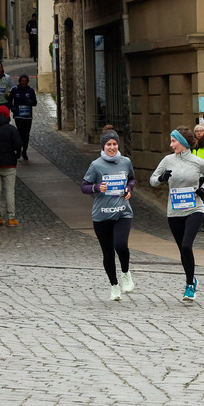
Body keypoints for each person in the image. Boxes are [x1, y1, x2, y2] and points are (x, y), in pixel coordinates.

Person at [150, 126, 204, 301]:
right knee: (182, 250)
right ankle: (192, 277)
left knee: (186, 245)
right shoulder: (167, 161)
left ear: (183, 142)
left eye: (173, 141)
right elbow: (152, 180)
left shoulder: (197, 161)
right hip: (175, 211)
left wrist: (203, 189)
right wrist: (161, 179)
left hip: (194, 208)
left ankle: (189, 286)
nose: (171, 145)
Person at [82, 126, 136, 300]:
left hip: (122, 212)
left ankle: (126, 273)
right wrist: (96, 187)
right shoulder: (96, 165)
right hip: (102, 215)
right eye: (108, 145)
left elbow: (132, 179)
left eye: (114, 144)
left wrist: (129, 188)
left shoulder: (125, 162)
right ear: (103, 147)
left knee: (120, 245)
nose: (112, 148)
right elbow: (84, 187)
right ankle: (114, 286)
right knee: (108, 252)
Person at [8, 74, 37, 160]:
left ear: (27, 82)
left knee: (26, 134)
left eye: (25, 81)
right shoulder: (15, 90)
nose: (23, 83)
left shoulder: (31, 90)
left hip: (27, 116)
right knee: (19, 133)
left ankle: (24, 151)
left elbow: (35, 103)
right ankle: (18, 150)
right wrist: (12, 108)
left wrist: (30, 102)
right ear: (20, 81)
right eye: (22, 81)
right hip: (18, 116)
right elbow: (10, 101)